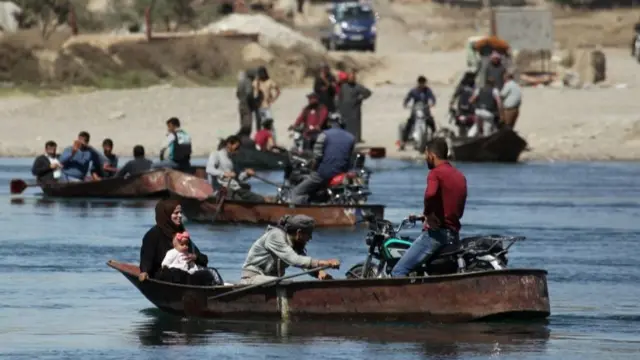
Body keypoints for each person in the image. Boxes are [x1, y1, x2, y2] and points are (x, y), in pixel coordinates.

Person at [391, 139, 467, 277]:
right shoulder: (459, 176)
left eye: (426, 155)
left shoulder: (435, 173)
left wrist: (427, 214)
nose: (426, 159)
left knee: (398, 271)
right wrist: (426, 216)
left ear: (431, 155)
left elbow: (430, 195)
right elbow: (454, 207)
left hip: (436, 235)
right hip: (454, 234)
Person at [240, 214, 340, 285]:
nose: (310, 238)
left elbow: (303, 262)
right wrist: (326, 263)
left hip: (271, 281)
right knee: (285, 283)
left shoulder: (294, 243)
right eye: (309, 234)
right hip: (252, 279)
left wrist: (318, 272)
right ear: (299, 233)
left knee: (282, 282)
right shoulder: (275, 236)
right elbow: (293, 259)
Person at [139, 199, 216, 285]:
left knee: (211, 272)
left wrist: (195, 257)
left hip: (186, 272)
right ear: (166, 214)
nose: (180, 216)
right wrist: (145, 272)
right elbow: (146, 258)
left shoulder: (181, 233)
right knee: (176, 273)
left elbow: (203, 259)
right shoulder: (153, 235)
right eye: (176, 213)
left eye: (180, 212)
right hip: (163, 275)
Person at [289, 116, 355, 204]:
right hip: (342, 173)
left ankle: (294, 213)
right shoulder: (351, 137)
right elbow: (347, 157)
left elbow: (317, 157)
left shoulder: (324, 135)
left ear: (329, 124)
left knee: (297, 192)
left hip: (325, 173)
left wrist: (312, 168)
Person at [205, 135, 264, 203]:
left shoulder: (232, 159)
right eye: (237, 148)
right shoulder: (216, 154)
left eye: (239, 149)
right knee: (242, 201)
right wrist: (224, 174)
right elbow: (209, 169)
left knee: (260, 199)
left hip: (235, 189)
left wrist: (247, 174)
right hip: (222, 191)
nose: (238, 151)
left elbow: (239, 177)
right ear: (229, 144)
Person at [398, 76, 437, 148]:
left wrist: (433, 103)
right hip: (415, 110)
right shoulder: (414, 91)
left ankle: (434, 137)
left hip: (425, 111)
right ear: (418, 83)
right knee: (409, 123)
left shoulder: (427, 90)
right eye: (421, 83)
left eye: (423, 83)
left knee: (431, 122)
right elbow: (408, 97)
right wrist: (405, 103)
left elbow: (432, 97)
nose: (422, 85)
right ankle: (403, 142)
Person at [337, 70, 372, 143]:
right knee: (344, 125)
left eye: (353, 77)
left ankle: (356, 140)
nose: (352, 78)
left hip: (355, 109)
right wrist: (338, 107)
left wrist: (361, 98)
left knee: (356, 126)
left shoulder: (358, 86)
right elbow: (339, 97)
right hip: (344, 109)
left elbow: (368, 92)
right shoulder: (343, 86)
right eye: (350, 77)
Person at [252, 66, 281, 133]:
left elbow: (278, 90)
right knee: (259, 125)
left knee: (270, 124)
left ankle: (272, 139)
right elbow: (253, 93)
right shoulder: (256, 82)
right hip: (258, 107)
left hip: (266, 106)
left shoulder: (270, 82)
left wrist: (274, 99)